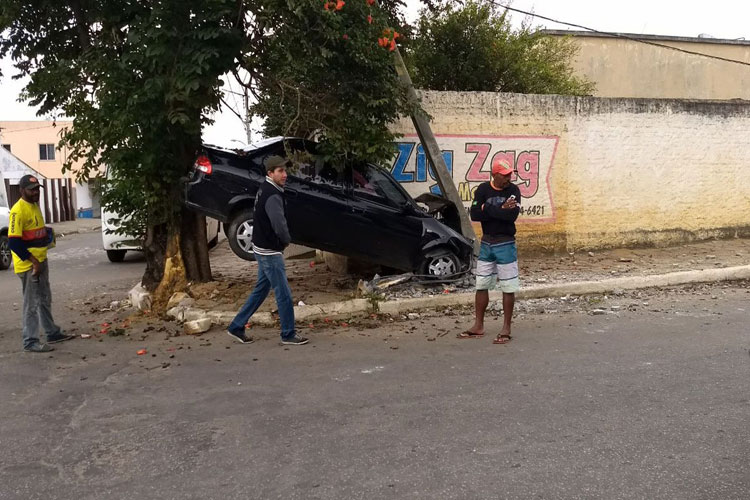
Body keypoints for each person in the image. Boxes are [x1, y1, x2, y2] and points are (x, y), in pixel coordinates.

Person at [226, 155, 309, 346]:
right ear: (270, 173)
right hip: (269, 251)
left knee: (261, 290)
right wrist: (286, 240)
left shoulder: (267, 189)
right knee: (284, 294)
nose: (284, 175)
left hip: (261, 247)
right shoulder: (272, 194)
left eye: (285, 171)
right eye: (280, 171)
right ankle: (288, 333)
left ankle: (237, 326)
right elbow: (278, 223)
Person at [8, 174, 74, 352]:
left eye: (37, 189)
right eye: (32, 190)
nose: (36, 192)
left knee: (45, 298)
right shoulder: (17, 211)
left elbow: (34, 232)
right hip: (30, 265)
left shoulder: (35, 206)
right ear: (22, 191)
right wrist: (34, 262)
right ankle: (30, 341)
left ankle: (52, 332)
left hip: (41, 260)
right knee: (31, 303)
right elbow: (13, 242)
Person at [459, 161, 521, 344]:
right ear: (495, 175)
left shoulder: (514, 191)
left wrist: (489, 209)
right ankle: (478, 325)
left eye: (510, 174)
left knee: (508, 287)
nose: (509, 178)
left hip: (506, 243)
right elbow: (475, 214)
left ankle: (506, 328)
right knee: (482, 284)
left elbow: (512, 216)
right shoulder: (483, 189)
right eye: (505, 175)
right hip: (487, 243)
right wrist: (500, 209)